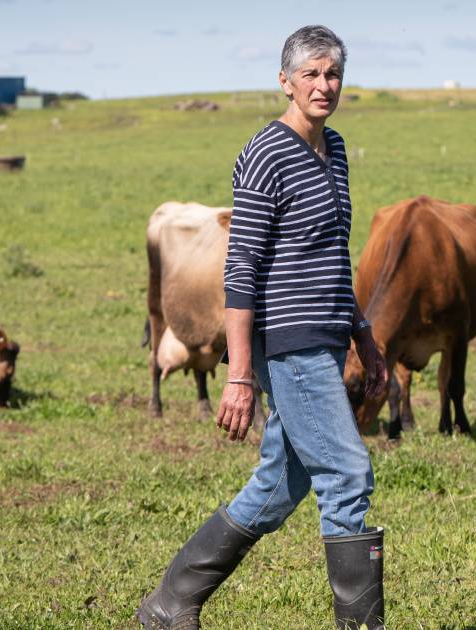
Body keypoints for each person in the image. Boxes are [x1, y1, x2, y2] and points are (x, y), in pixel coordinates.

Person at [136, 24, 389, 630]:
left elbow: (333, 254)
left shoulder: (339, 149)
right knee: (348, 473)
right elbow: (241, 268)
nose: (324, 86)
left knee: (275, 489)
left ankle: (169, 606)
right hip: (290, 345)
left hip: (327, 336)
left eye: (333, 75)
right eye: (311, 74)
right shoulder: (264, 153)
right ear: (285, 81)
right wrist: (240, 376)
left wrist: (363, 336)